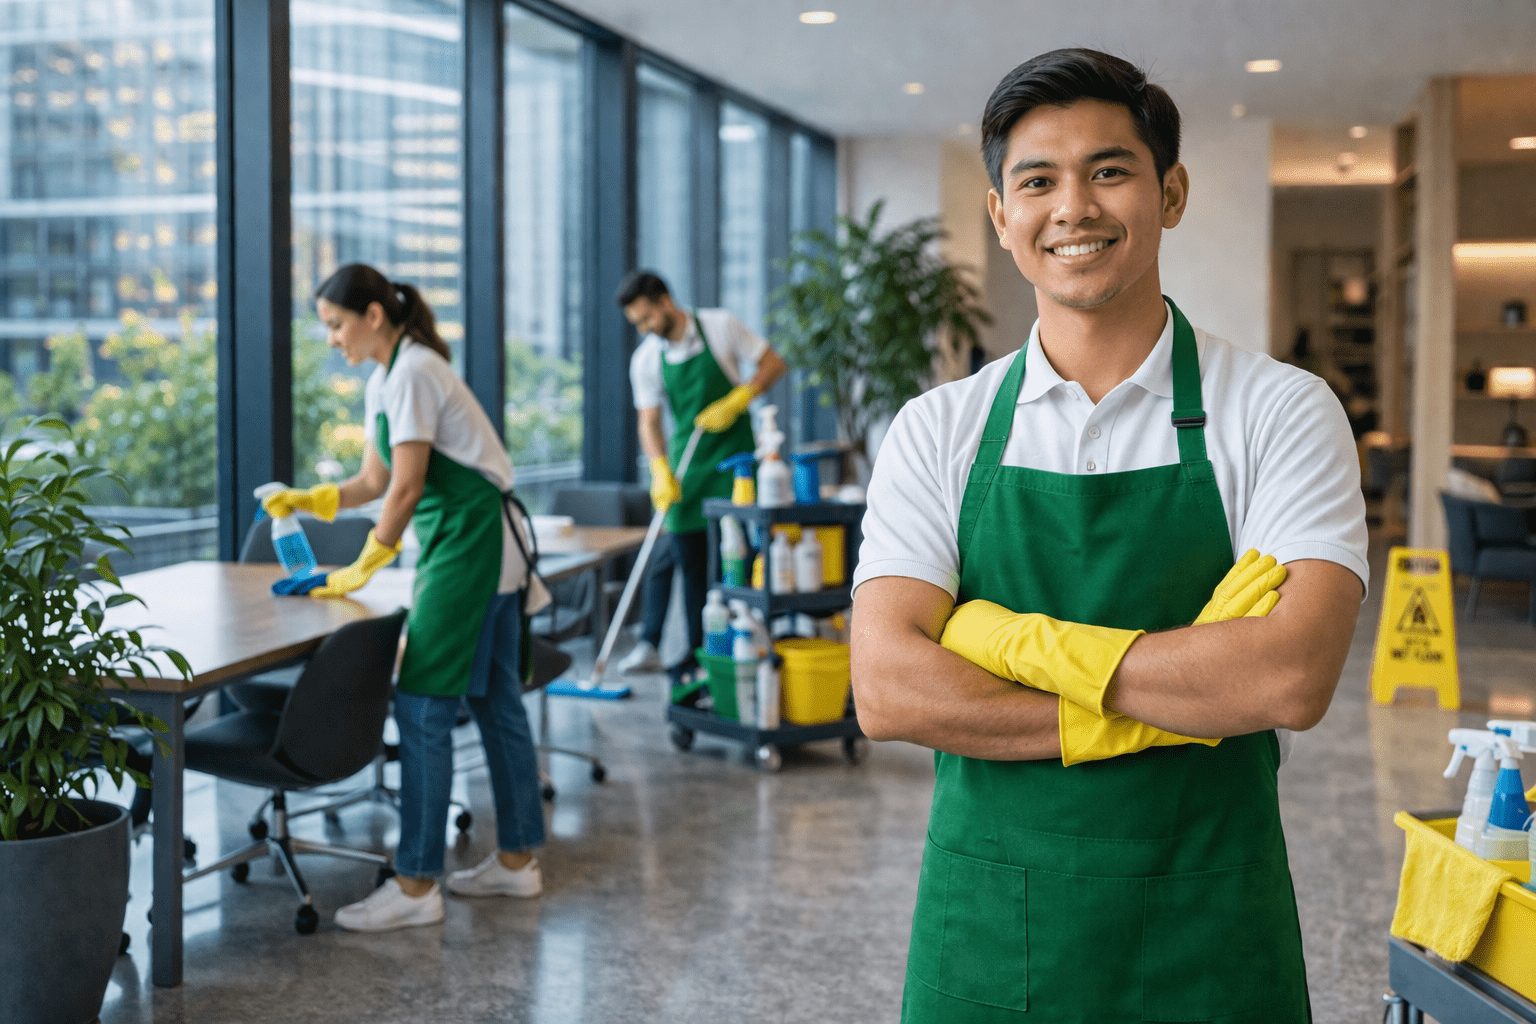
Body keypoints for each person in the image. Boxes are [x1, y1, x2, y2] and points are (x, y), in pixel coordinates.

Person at [849, 50, 1368, 1022]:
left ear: (1170, 193)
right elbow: (886, 687)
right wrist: (1180, 691)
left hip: (1209, 922)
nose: (1073, 207)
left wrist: (1005, 639)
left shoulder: (1281, 411)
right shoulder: (939, 428)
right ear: (1001, 214)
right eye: (1037, 181)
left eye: (1110, 171)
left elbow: (1290, 676)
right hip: (991, 927)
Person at [263, 263, 553, 932]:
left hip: (471, 542)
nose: (332, 338)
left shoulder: (416, 371)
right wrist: (310, 500)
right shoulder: (387, 377)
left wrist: (367, 562)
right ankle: (517, 861)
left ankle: (418, 883)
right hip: (479, 542)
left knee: (423, 706)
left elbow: (408, 487)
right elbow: (374, 480)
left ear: (373, 316)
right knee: (495, 700)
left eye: (336, 324)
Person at [616, 270, 787, 676]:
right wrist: (659, 468)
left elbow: (773, 363)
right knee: (690, 561)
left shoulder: (719, 325)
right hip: (687, 467)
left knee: (741, 556)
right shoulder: (647, 358)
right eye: (637, 323)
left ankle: (750, 645)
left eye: (646, 318)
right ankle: (698, 654)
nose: (644, 328)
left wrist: (741, 396)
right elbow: (648, 422)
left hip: (736, 464)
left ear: (665, 302)